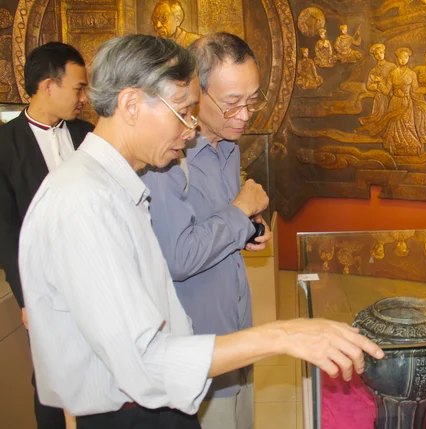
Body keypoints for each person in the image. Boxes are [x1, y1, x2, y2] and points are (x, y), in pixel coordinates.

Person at [19, 34, 383, 429]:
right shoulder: (83, 202)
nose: (190, 131)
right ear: (130, 104)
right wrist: (283, 335)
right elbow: (146, 361)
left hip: (160, 403)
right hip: (132, 413)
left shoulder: (114, 186)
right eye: (182, 112)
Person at [141, 32, 268, 429]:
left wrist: (247, 228)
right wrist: (238, 211)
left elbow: (216, 224)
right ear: (196, 91)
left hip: (234, 324)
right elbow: (177, 257)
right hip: (195, 344)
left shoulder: (228, 147)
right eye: (233, 103)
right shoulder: (167, 157)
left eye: (252, 100)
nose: (245, 115)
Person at [0, 42, 93, 429]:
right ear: (47, 85)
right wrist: (26, 298)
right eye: (77, 88)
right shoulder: (5, 145)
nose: (83, 98)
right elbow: (6, 229)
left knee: (100, 374)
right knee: (52, 383)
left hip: (94, 278)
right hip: (47, 288)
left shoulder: (88, 134)